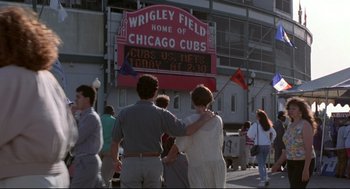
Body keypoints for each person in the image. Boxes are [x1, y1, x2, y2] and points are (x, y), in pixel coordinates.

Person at [0, 6, 77, 188]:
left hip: (19, 179)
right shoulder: (48, 78)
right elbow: (71, 134)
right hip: (56, 176)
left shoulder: (8, 77)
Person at [110, 74, 214, 188]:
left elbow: (115, 142)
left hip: (130, 162)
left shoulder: (124, 113)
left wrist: (116, 161)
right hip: (152, 162)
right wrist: (203, 119)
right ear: (155, 92)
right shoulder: (161, 114)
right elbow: (185, 130)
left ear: (138, 91)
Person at [163, 84, 227, 188]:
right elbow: (220, 142)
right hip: (217, 164)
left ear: (193, 101)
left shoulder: (189, 121)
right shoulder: (218, 120)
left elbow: (179, 145)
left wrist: (168, 158)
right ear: (209, 100)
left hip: (198, 167)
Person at [272, 97, 316, 188]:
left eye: (294, 108)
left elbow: (308, 149)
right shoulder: (290, 125)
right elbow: (287, 148)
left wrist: (306, 169)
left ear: (301, 110)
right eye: (289, 108)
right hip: (291, 162)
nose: (290, 111)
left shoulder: (305, 125)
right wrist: (278, 163)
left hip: (303, 162)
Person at [70, 85, 104, 188]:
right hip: (87, 161)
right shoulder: (85, 116)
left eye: (78, 97)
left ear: (87, 99)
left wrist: (70, 117)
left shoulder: (90, 117)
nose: (75, 100)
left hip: (86, 162)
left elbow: (75, 138)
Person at [155, 94, 190, 188]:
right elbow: (176, 130)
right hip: (167, 147)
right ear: (167, 104)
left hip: (156, 149)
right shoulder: (169, 116)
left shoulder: (152, 116)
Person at [247, 109, 276, 188]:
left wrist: (254, 138)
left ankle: (263, 180)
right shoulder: (268, 125)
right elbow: (274, 133)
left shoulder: (256, 125)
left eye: (257, 116)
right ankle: (265, 176)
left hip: (259, 146)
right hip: (267, 146)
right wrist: (271, 141)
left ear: (258, 117)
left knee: (260, 164)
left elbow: (249, 135)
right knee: (263, 162)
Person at [100, 105, 117, 186]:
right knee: (107, 178)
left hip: (98, 151)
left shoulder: (99, 120)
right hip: (110, 152)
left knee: (99, 177)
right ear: (112, 113)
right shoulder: (115, 121)